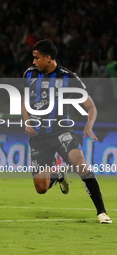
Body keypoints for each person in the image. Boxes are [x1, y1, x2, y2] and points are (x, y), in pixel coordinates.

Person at [22, 39, 111, 224]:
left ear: (48, 58)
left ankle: (101, 212)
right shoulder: (29, 75)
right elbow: (24, 101)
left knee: (81, 164)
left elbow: (91, 106)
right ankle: (59, 175)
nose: (33, 62)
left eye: (36, 58)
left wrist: (89, 125)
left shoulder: (68, 78)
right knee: (41, 188)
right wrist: (27, 122)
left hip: (61, 131)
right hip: (38, 137)